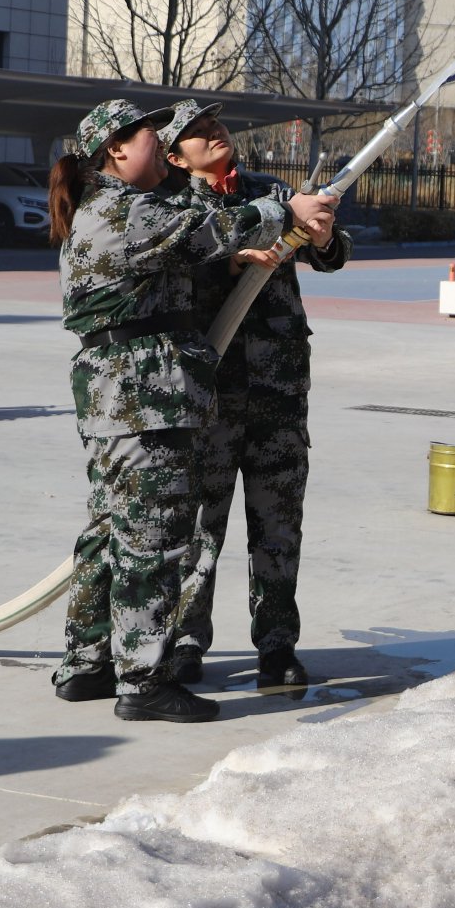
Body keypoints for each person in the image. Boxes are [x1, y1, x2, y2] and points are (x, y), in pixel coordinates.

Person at [47, 98, 337, 723]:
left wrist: (265, 234)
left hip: (140, 393)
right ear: (118, 150)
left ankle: (88, 662)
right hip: (143, 395)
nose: (165, 140)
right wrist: (280, 214)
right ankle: (145, 678)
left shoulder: (134, 205)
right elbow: (205, 233)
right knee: (155, 541)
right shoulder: (126, 209)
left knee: (113, 534)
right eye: (154, 135)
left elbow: (205, 238)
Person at [158, 100, 350, 690]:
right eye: (196, 133)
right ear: (174, 156)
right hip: (210, 390)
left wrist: (321, 236)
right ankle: (187, 644)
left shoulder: (272, 191)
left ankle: (276, 645)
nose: (213, 134)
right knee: (200, 528)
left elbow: (332, 257)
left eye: (214, 125)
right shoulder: (175, 209)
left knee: (278, 523)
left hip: (278, 386)